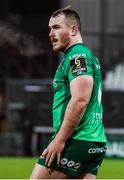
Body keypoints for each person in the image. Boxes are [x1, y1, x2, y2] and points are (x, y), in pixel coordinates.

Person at [30, 6, 107, 179]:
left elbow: (80, 100)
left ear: (73, 30)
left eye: (56, 27)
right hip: (94, 141)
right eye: (50, 28)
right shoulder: (86, 56)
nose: (50, 33)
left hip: (76, 139)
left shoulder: (77, 56)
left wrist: (60, 140)